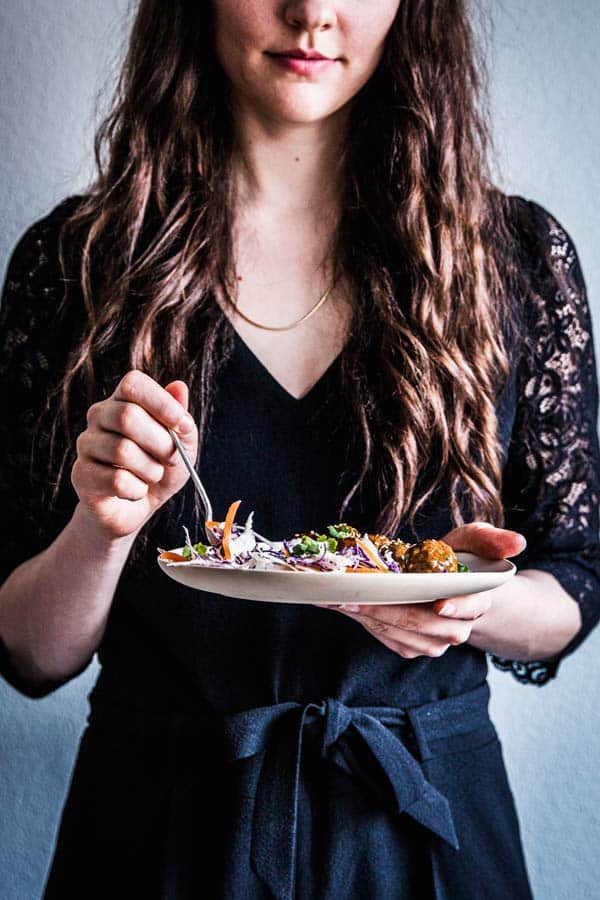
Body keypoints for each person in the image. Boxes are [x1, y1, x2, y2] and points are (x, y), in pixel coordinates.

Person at [1, 1, 599, 897]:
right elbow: (28, 653)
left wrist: (466, 603)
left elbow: (578, 575)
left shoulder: (512, 257)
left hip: (427, 828)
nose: (312, 12)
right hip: (158, 835)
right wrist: (104, 523)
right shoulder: (79, 261)